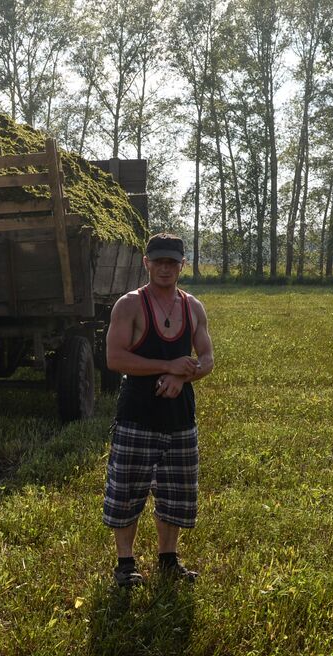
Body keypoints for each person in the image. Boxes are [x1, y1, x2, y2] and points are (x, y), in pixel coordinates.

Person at [102, 232, 215, 586]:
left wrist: (185, 377)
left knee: (176, 492)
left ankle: (168, 559)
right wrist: (167, 367)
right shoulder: (130, 305)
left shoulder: (193, 306)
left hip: (180, 416)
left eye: (172, 262)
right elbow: (115, 358)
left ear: (182, 265)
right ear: (146, 263)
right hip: (138, 414)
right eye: (158, 261)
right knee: (127, 492)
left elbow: (207, 357)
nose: (165, 268)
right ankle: (125, 564)